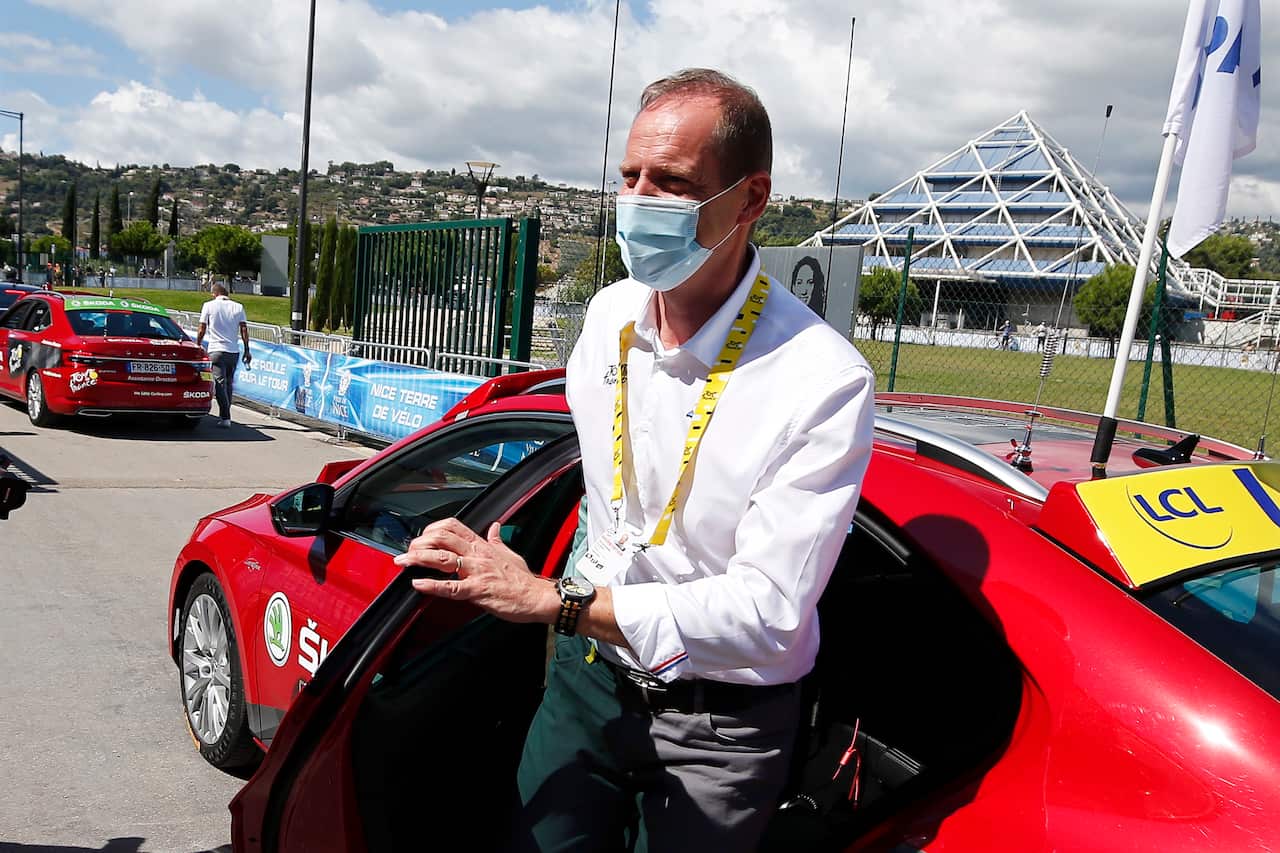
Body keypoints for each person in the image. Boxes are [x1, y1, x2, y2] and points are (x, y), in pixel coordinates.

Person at [394, 68, 874, 850]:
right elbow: (607, 497)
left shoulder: (821, 379)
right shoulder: (610, 313)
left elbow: (767, 612)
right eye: (629, 177)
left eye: (673, 182)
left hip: (718, 724)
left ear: (751, 199)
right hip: (588, 676)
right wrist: (535, 575)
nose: (639, 200)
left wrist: (555, 601)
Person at [196, 282, 251, 427]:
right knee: (229, 383)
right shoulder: (238, 307)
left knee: (219, 383)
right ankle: (225, 413)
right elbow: (244, 329)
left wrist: (198, 344)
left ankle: (226, 417)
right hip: (233, 350)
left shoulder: (208, 305)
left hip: (216, 349)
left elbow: (202, 328)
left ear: (215, 293)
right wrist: (247, 349)